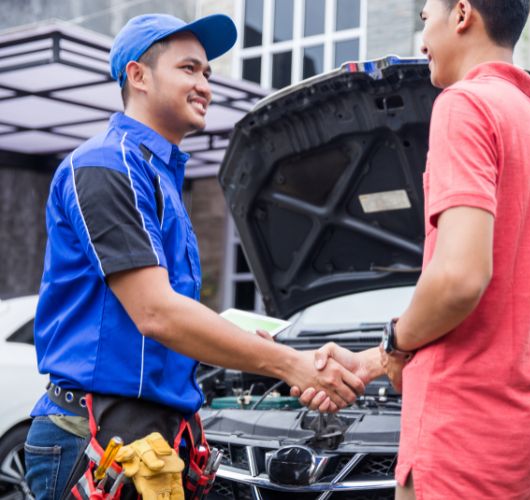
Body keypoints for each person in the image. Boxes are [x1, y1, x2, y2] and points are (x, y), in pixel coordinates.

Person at [25, 13, 363, 500]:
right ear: (138, 76)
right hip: (96, 436)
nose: (205, 84)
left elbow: (166, 315)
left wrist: (284, 349)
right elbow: (156, 312)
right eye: (189, 69)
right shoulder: (106, 166)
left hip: (153, 435)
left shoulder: (157, 174)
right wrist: (292, 366)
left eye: (207, 72)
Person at [293, 0, 530, 498]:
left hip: (462, 435)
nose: (421, 44)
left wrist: (396, 343)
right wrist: (374, 359)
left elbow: (459, 279)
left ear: (461, 14)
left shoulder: (465, 104)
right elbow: (494, 318)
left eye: (425, 20)